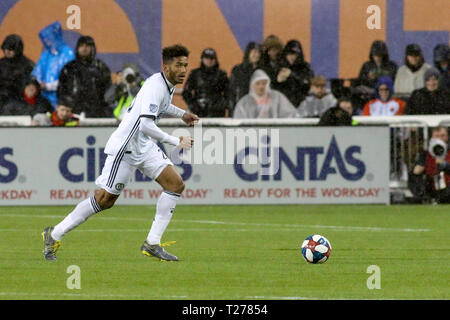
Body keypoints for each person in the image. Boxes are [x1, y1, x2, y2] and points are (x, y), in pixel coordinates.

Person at [42, 44, 199, 262]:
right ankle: (54, 234)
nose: (183, 70)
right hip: (126, 147)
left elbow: (162, 107)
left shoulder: (165, 84)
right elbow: (145, 125)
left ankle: (152, 243)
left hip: (143, 146)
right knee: (104, 200)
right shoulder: (156, 85)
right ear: (165, 66)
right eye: (178, 65)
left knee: (175, 185)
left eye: (185, 65)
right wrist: (176, 140)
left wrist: (182, 114)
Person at [58, 35, 112, 117]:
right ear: (77, 48)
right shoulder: (69, 68)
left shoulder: (100, 67)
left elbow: (107, 89)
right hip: (73, 110)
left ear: (92, 48)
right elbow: (61, 90)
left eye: (87, 46)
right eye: (81, 46)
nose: (84, 48)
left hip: (96, 110)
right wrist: (67, 107)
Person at [32, 21, 75, 108]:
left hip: (63, 99)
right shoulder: (45, 55)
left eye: (49, 37)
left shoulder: (68, 54)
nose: (46, 40)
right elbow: (37, 74)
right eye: (45, 38)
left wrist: (48, 86)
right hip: (44, 100)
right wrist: (38, 84)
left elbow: (69, 80)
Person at [182, 48, 229, 117]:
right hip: (198, 110)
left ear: (215, 60)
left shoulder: (222, 74)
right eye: (207, 58)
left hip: (217, 111)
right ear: (202, 59)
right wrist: (193, 105)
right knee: (198, 127)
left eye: (212, 59)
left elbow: (228, 92)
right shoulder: (194, 74)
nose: (209, 61)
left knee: (216, 127)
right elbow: (186, 92)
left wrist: (221, 105)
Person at [409, 126, 450, 203]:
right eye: (437, 136)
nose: (440, 139)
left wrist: (444, 165)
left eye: (443, 136)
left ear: (447, 137)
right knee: (413, 174)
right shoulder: (425, 154)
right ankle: (422, 198)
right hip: (432, 187)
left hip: (448, 188)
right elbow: (416, 172)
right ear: (432, 138)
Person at [272, 40, 314, 107]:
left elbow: (308, 84)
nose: (292, 57)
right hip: (282, 106)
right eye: (290, 54)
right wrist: (277, 81)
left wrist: (291, 75)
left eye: (295, 54)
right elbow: (270, 90)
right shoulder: (278, 67)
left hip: (301, 105)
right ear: (285, 54)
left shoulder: (305, 67)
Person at [0, 34, 35, 107]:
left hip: (19, 98)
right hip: (2, 96)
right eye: (6, 48)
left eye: (11, 49)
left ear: (18, 50)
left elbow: (33, 82)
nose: (8, 51)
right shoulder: (1, 63)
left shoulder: (27, 64)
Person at [228, 42, 262, 114]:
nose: (257, 55)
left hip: (259, 109)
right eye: (254, 52)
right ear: (248, 53)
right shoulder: (238, 70)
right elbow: (231, 92)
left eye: (259, 52)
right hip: (242, 108)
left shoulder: (263, 70)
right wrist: (232, 110)